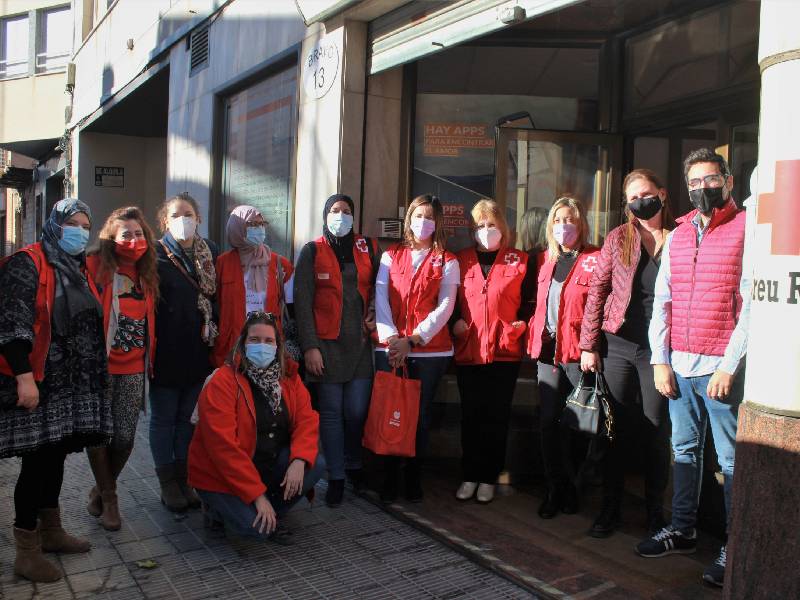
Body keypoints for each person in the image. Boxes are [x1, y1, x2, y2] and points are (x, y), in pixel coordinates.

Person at [636, 149, 750, 588]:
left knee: (730, 460)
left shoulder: (745, 230)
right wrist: (660, 360)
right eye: (696, 184)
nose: (704, 189)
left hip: (720, 369)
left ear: (728, 181)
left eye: (711, 180)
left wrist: (729, 366)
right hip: (680, 366)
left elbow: (751, 303)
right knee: (683, 450)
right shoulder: (680, 234)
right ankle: (682, 530)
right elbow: (661, 303)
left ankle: (734, 544)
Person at [0, 199, 113, 582]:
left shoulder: (77, 267)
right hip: (40, 382)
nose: (80, 230)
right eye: (73, 223)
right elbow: (11, 325)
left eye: (86, 223)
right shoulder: (27, 263)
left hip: (71, 386)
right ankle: (26, 550)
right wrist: (24, 376)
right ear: (54, 225)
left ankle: (52, 531)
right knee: (37, 463)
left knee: (55, 457)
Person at [579, 170, 674, 538]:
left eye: (646, 195)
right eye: (632, 198)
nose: (639, 203)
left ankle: (655, 512)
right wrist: (589, 345)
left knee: (655, 429)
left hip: (660, 349)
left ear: (662, 194)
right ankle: (610, 508)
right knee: (614, 428)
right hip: (618, 343)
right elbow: (598, 291)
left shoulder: (682, 235)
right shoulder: (620, 237)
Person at [188, 311, 323, 542]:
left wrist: (299, 460)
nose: (262, 346)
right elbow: (223, 450)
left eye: (269, 341)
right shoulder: (223, 381)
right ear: (243, 343)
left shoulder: (289, 377)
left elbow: (307, 421)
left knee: (315, 464)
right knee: (255, 531)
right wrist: (258, 496)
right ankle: (218, 509)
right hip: (221, 473)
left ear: (278, 345)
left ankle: (271, 514)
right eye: (255, 340)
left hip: (265, 463)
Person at [293, 194, 379, 507]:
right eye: (334, 210)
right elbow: (302, 304)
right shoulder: (312, 250)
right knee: (330, 414)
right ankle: (338, 476)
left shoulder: (367, 247)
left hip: (359, 345)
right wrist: (310, 347)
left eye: (345, 211)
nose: (340, 216)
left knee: (356, 411)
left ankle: (354, 462)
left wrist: (374, 315)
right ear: (325, 214)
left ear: (354, 217)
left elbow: (380, 289)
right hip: (326, 346)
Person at [375, 194, 458, 504]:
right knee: (391, 411)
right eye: (418, 215)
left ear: (438, 223)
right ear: (409, 219)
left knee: (419, 417)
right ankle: (388, 476)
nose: (424, 222)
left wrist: (414, 339)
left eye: (430, 217)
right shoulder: (390, 255)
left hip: (430, 351)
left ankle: (413, 477)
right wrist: (394, 339)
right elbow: (380, 295)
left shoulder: (448, 260)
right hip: (391, 347)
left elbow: (446, 305)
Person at [450, 200, 534, 504]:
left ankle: (489, 476)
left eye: (492, 225)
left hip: (503, 352)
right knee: (471, 416)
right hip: (470, 350)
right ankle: (470, 474)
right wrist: (453, 324)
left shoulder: (520, 260)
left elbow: (530, 302)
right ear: (473, 230)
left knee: (496, 418)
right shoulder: (460, 260)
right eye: (481, 226)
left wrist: (519, 325)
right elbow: (445, 299)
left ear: (503, 228)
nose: (486, 231)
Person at [85, 207, 159, 531]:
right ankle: (111, 500)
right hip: (99, 368)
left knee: (125, 438)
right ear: (111, 238)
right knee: (99, 434)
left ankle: (100, 490)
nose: (134, 239)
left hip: (133, 369)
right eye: (126, 234)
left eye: (139, 233)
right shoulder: (95, 267)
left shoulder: (147, 274)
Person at [527, 196, 600, 520]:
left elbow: (600, 308)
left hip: (577, 354)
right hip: (547, 353)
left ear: (581, 223)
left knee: (578, 427)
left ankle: (573, 488)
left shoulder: (594, 258)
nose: (563, 226)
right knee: (547, 425)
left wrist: (591, 346)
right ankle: (555, 488)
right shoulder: (545, 260)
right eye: (557, 220)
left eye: (569, 220)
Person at [150, 193, 218, 512]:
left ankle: (184, 477)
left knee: (187, 420)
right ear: (165, 221)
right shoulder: (154, 255)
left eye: (188, 214)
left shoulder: (210, 252)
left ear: (198, 218)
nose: (183, 220)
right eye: (176, 215)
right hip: (166, 352)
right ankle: (167, 484)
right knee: (164, 419)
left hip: (198, 352)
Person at [213, 205, 293, 368]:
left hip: (267, 345)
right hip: (233, 346)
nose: (259, 229)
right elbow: (216, 304)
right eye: (253, 224)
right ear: (238, 228)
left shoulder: (280, 264)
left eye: (262, 224)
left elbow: (293, 308)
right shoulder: (223, 263)